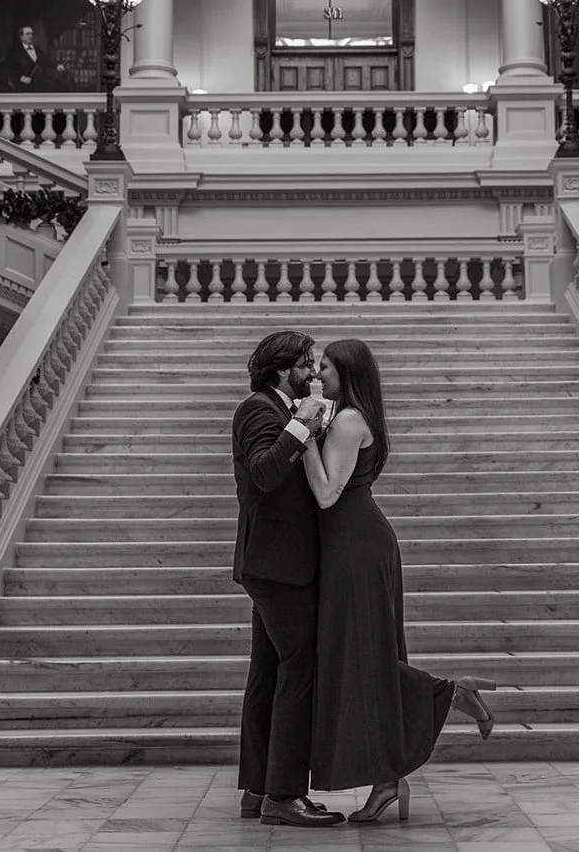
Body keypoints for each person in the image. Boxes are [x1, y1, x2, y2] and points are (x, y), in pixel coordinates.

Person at [300, 338, 497, 824]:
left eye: (324, 367)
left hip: (356, 548)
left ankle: (445, 698)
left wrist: (302, 435)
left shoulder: (347, 421)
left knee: (364, 658)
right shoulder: (352, 414)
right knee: (363, 659)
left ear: (346, 370)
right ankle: (400, 761)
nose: (316, 374)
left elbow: (327, 494)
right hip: (355, 545)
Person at [231, 332, 344, 828]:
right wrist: (301, 427)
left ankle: (259, 789)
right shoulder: (260, 409)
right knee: (299, 670)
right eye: (305, 364)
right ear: (282, 370)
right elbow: (263, 473)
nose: (313, 373)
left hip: (275, 564)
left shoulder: (278, 408)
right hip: (279, 566)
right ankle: (285, 794)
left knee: (268, 675)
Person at [0, 25, 64, 92]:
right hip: (25, 83)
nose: (31, 36)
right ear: (21, 37)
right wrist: (22, 78)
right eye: (27, 34)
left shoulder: (38, 50)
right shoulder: (15, 52)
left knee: (58, 84)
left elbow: (45, 62)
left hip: (40, 80)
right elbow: (12, 69)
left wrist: (57, 66)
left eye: (32, 34)